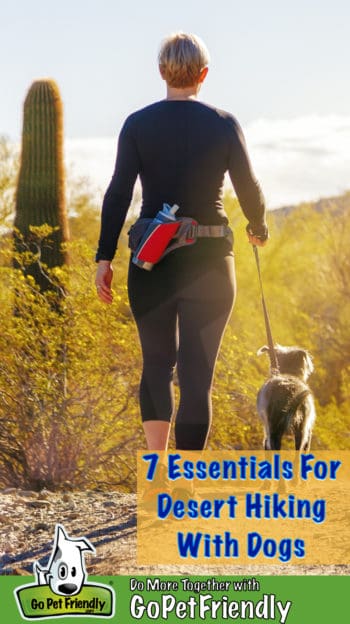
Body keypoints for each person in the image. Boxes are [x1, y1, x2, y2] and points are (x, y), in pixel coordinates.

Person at [95, 32, 268, 452]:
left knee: (156, 366)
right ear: (204, 74)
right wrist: (257, 226)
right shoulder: (223, 124)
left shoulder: (137, 124)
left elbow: (118, 193)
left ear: (161, 72)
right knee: (197, 376)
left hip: (150, 261)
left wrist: (104, 257)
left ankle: (157, 471)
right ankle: (185, 481)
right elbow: (248, 187)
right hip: (210, 262)